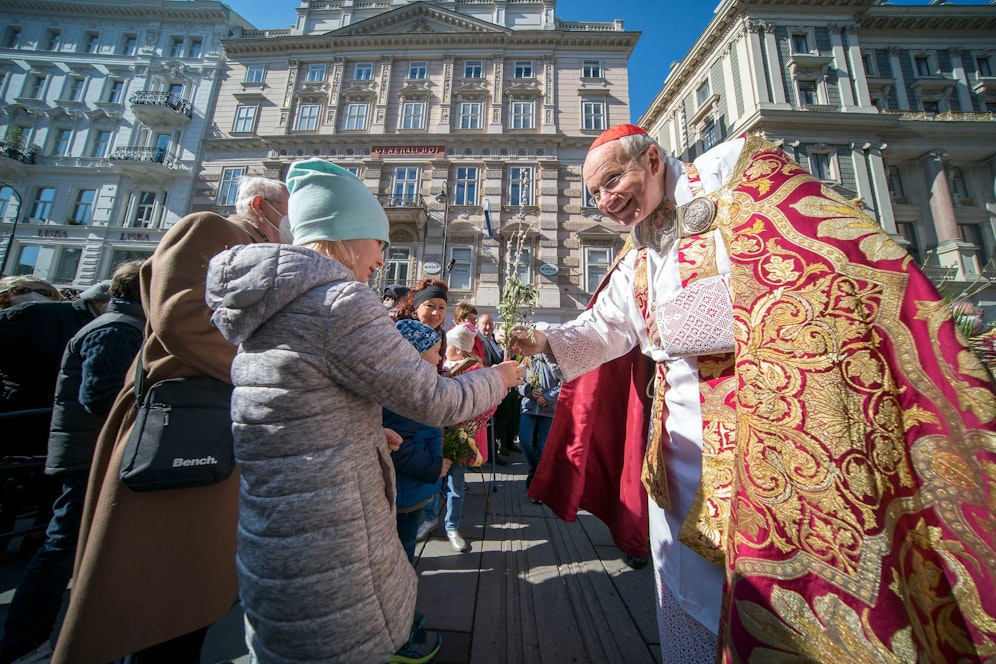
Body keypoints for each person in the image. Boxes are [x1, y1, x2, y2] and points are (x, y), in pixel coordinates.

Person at [511, 124, 996, 661]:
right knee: (682, 588)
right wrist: (545, 340)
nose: (605, 201)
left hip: (769, 435)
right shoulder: (637, 249)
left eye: (612, 182)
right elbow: (606, 329)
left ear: (652, 159)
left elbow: (806, 275)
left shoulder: (734, 180)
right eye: (595, 194)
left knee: (778, 594)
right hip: (675, 450)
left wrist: (666, 330)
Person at [204, 158, 524, 663]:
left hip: (278, 523)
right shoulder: (338, 300)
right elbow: (436, 399)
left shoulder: (272, 299)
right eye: (377, 243)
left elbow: (297, 407)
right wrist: (500, 377)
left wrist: (363, 431)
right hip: (330, 528)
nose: (381, 259)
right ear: (348, 236)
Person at [51, 175, 290, 664]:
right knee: (159, 600)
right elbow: (181, 318)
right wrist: (277, 374)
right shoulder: (210, 228)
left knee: (189, 597)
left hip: (213, 432)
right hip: (181, 430)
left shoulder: (267, 252)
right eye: (289, 209)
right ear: (262, 206)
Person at [0, 260, 145, 664]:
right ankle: (25, 643)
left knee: (76, 546)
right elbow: (100, 399)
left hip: (89, 450)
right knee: (62, 546)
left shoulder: (118, 324)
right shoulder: (117, 330)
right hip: (89, 454)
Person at [0, 279, 110, 457]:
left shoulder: (69, 321)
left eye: (46, 293)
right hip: (18, 411)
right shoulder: (28, 315)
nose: (36, 296)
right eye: (23, 290)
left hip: (50, 417)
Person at [384, 319, 453, 564]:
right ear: (416, 354)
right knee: (404, 546)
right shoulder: (407, 392)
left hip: (413, 486)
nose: (440, 358)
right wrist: (434, 466)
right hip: (406, 491)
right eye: (435, 352)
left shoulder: (411, 385)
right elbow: (398, 448)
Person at [477, 314, 523, 459]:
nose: (488, 327)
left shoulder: (494, 342)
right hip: (490, 386)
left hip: (502, 387)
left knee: (503, 419)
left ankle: (501, 446)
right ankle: (491, 453)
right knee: (493, 422)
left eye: (490, 324)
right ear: (478, 325)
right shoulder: (479, 341)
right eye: (485, 324)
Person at [517, 352, 561, 499]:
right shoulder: (527, 360)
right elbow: (519, 381)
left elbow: (564, 383)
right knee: (525, 441)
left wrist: (549, 397)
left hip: (548, 410)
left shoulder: (555, 361)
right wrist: (528, 390)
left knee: (543, 447)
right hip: (529, 407)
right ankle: (537, 471)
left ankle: (539, 487)